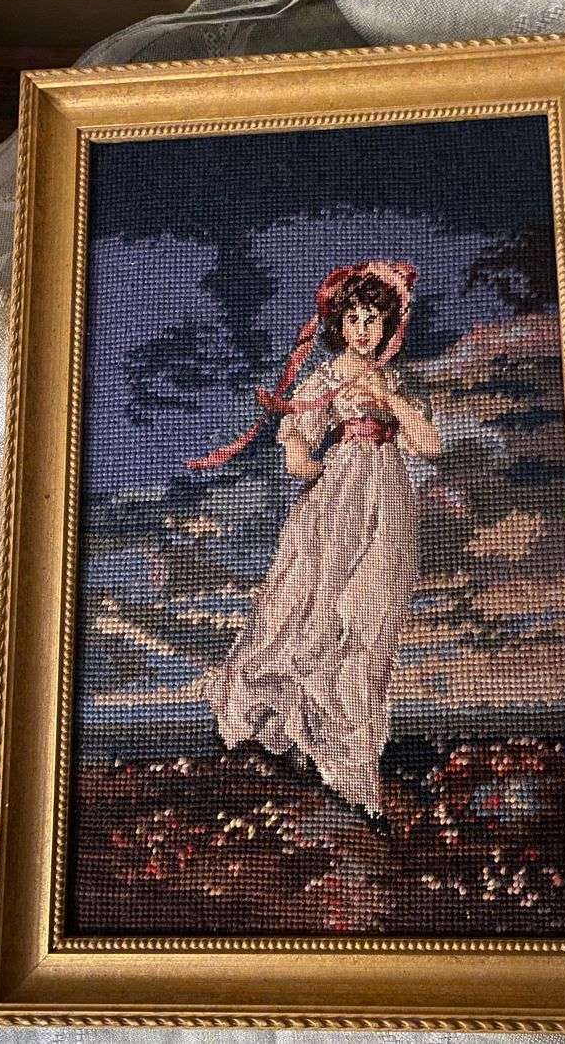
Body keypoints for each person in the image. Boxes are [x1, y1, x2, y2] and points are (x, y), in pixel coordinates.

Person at [187, 260, 441, 816]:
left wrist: (387, 398)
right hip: (337, 499)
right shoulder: (328, 378)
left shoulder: (396, 381)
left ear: (390, 324)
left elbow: (429, 444)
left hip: (388, 503)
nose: (363, 331)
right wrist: (301, 457)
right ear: (340, 325)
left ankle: (355, 754)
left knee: (371, 616)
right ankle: (310, 736)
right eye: (353, 320)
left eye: (373, 320)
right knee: (312, 607)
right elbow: (298, 432)